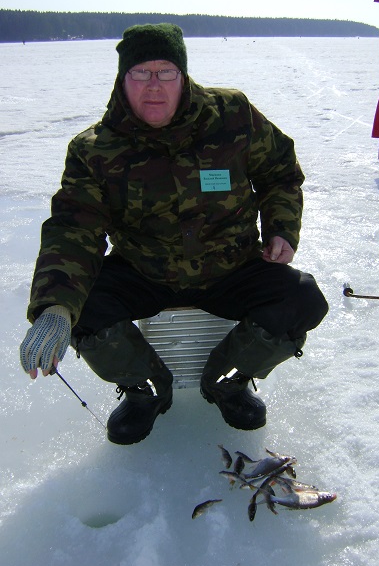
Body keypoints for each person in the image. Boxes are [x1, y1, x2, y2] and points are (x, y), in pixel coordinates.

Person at [20, 23, 328, 445]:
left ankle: (229, 381)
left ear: (182, 76)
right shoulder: (94, 150)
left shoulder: (232, 115)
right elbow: (75, 227)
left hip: (231, 266)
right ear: (122, 79)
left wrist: (281, 229)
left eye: (165, 72)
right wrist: (55, 305)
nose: (153, 86)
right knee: (82, 309)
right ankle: (143, 390)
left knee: (302, 298)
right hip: (145, 271)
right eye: (140, 73)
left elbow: (280, 173)